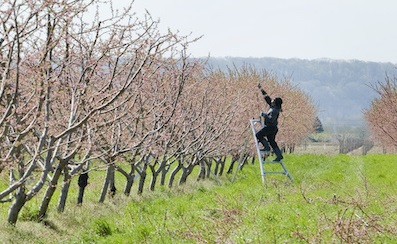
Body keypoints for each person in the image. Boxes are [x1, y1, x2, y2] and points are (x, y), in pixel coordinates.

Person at [255, 83, 284, 161]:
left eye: (273, 100)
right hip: (273, 128)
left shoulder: (274, 110)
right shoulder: (274, 107)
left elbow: (271, 119)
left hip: (269, 127)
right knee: (272, 141)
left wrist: (263, 114)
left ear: (275, 102)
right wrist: (261, 89)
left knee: (258, 135)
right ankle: (279, 155)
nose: (272, 100)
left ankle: (266, 147)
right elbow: (267, 98)